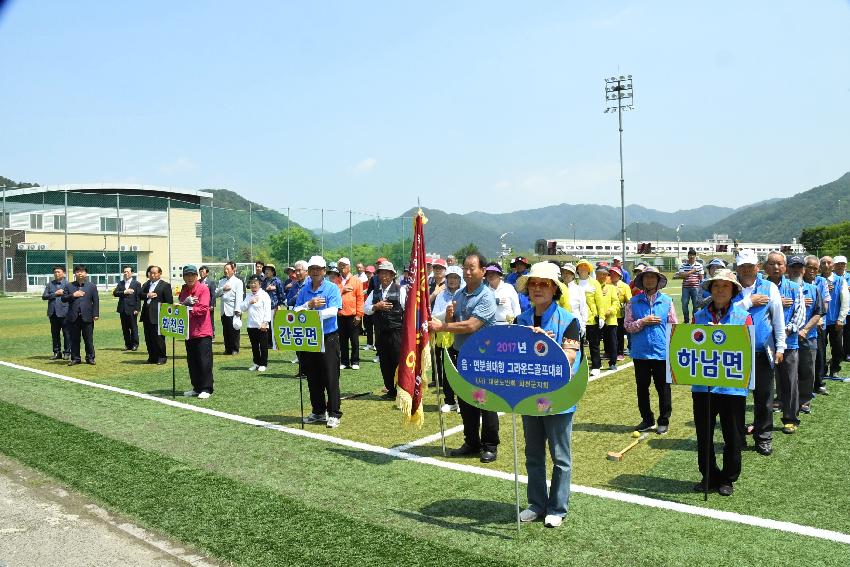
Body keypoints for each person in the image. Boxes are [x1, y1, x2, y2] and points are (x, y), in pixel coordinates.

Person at [514, 262, 582, 529]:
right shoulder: (521, 320)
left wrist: (547, 346)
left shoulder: (569, 321)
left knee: (560, 457)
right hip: (529, 397)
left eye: (544, 284)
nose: (538, 288)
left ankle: (557, 507)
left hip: (559, 398)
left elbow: (569, 360)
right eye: (533, 283)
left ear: (555, 289)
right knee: (533, 454)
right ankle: (536, 503)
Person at [429, 253, 499, 463]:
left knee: (485, 402)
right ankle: (471, 442)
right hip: (461, 354)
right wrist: (448, 315)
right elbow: (454, 321)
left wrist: (442, 325)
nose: (467, 272)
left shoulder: (486, 296)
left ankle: (490, 445)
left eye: (472, 268)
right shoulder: (459, 294)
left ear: (483, 271)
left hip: (483, 356)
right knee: (466, 401)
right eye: (465, 268)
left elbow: (471, 325)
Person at [692, 269, 753, 496]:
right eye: (716, 286)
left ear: (734, 290)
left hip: (732, 387)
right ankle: (708, 475)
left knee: (733, 435)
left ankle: (728, 478)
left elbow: (747, 348)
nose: (720, 290)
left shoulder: (742, 316)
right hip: (702, 385)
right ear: (710, 289)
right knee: (704, 435)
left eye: (725, 286)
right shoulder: (698, 317)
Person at [733, 249, 785, 457]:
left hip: (763, 351)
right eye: (742, 266)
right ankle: (737, 437)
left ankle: (763, 437)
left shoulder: (769, 287)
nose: (746, 270)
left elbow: (778, 318)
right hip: (735, 352)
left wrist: (781, 347)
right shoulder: (729, 286)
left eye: (750, 266)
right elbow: (725, 312)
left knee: (764, 398)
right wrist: (748, 302)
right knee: (735, 398)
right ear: (737, 268)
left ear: (757, 267)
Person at [624, 266, 676, 434]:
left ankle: (663, 420)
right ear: (642, 280)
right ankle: (647, 419)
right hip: (640, 353)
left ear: (658, 280)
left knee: (663, 388)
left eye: (653, 277)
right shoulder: (633, 302)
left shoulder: (667, 301)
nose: (649, 280)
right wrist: (643, 321)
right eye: (646, 277)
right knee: (642, 388)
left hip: (662, 352)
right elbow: (627, 327)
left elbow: (673, 326)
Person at [296, 256, 344, 428]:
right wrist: (309, 305)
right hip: (310, 338)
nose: (315, 271)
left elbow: (334, 310)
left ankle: (334, 413)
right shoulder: (305, 290)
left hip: (328, 337)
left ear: (324, 271)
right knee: (313, 375)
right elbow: (296, 310)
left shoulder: (332, 288)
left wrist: (314, 315)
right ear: (309, 271)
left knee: (330, 376)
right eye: (312, 268)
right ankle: (318, 410)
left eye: (318, 268)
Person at [763, 252, 805, 434]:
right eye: (771, 264)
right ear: (765, 267)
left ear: (785, 267)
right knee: (764, 384)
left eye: (779, 263)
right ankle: (763, 421)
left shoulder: (794, 288)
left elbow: (800, 312)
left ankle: (790, 418)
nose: (776, 267)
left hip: (789, 343)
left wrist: (785, 331)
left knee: (789, 382)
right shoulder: (759, 287)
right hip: (763, 344)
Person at [364, 261, 406, 399]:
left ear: (393, 275)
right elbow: (365, 309)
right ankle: (390, 390)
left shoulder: (400, 290)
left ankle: (401, 390)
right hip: (381, 332)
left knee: (397, 361)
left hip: (396, 332)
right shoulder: (374, 292)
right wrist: (376, 306)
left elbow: (407, 310)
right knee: (384, 362)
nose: (384, 276)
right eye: (381, 273)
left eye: (387, 273)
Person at [789, 255, 825, 415]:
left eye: (799, 267)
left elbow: (819, 312)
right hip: (786, 338)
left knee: (807, 370)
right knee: (785, 372)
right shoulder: (780, 289)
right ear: (787, 270)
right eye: (793, 267)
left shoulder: (813, 289)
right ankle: (784, 399)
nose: (796, 270)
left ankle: (804, 400)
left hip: (807, 337)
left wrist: (805, 330)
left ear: (804, 270)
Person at [178, 265, 214, 399]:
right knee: (192, 360)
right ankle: (196, 387)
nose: (190, 277)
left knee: (204, 361)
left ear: (196, 276)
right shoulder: (184, 289)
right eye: (187, 275)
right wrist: (184, 304)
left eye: (192, 275)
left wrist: (187, 307)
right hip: (189, 331)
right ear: (183, 277)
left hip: (202, 331)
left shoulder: (203, 289)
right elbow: (181, 305)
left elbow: (204, 309)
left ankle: (206, 388)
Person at [432, 265, 462, 412]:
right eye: (450, 277)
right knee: (448, 369)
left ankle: (463, 401)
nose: (452, 280)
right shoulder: (441, 295)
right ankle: (449, 401)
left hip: (462, 335)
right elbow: (435, 315)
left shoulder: (464, 294)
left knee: (462, 368)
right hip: (445, 336)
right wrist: (448, 311)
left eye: (455, 277)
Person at [62, 264, 100, 365]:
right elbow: (63, 299)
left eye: (82, 271)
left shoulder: (91, 286)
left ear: (86, 273)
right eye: (78, 271)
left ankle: (90, 357)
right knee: (74, 339)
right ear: (75, 273)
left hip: (87, 316)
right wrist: (73, 295)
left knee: (88, 339)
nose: (80, 273)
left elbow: (95, 301)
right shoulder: (69, 286)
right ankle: (75, 358)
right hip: (73, 317)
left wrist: (96, 314)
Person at [819, 256, 849, 379]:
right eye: (823, 263)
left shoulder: (840, 280)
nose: (826, 265)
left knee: (837, 347)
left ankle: (835, 369)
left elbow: (846, 301)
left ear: (833, 265)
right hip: (820, 321)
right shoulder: (816, 280)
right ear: (820, 265)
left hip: (836, 321)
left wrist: (841, 319)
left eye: (829, 263)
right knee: (821, 347)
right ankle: (822, 370)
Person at [139, 265, 173, 365]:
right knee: (148, 338)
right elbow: (139, 294)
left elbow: (169, 302)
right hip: (146, 315)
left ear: (160, 274)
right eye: (151, 273)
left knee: (158, 338)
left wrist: (166, 315)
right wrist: (147, 295)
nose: (152, 275)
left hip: (158, 315)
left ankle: (162, 357)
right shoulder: (146, 284)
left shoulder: (165, 285)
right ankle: (152, 356)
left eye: (155, 273)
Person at [575, 259, 604, 376]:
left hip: (591, 318)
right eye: (580, 268)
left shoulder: (594, 283)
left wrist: (601, 316)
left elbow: (600, 301)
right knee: (578, 343)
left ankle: (596, 365)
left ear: (589, 270)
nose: (583, 270)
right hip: (578, 318)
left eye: (585, 268)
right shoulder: (575, 283)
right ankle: (580, 366)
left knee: (594, 343)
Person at [336, 257, 364, 370]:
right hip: (340, 314)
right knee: (342, 340)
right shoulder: (336, 281)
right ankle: (344, 361)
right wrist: (342, 290)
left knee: (354, 340)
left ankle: (355, 361)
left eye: (344, 265)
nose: (342, 267)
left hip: (353, 315)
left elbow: (360, 298)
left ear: (349, 267)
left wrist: (359, 314)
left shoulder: (356, 281)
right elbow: (333, 296)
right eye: (340, 265)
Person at [241, 274, 272, 372]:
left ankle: (263, 363)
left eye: (255, 283)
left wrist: (265, 322)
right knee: (254, 346)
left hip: (262, 325)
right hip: (251, 325)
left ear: (260, 284)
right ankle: (256, 363)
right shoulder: (249, 295)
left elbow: (267, 310)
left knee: (263, 346)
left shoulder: (264, 295)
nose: (253, 285)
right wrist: (250, 302)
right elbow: (242, 307)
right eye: (251, 283)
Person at [594, 263, 619, 371]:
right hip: (596, 319)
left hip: (610, 319)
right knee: (595, 342)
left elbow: (616, 302)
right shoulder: (593, 287)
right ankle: (597, 363)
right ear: (596, 275)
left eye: (604, 274)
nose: (602, 276)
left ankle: (612, 362)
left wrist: (610, 311)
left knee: (612, 342)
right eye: (599, 274)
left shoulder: (612, 288)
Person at [42, 265, 70, 360]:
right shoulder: (50, 284)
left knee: (67, 333)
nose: (56, 274)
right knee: (55, 334)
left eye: (59, 272)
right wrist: (55, 294)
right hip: (53, 313)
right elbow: (44, 296)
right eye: (55, 272)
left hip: (65, 312)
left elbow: (71, 297)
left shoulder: (68, 284)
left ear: (64, 273)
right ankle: (57, 352)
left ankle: (67, 352)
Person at [216, 261, 244, 356]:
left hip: (233, 310)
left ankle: (234, 348)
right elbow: (216, 294)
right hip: (224, 310)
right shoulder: (221, 281)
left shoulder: (238, 282)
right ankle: (227, 348)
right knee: (226, 330)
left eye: (228, 269)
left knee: (234, 330)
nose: (225, 271)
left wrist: (238, 310)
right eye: (225, 269)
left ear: (233, 270)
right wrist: (223, 289)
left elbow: (239, 297)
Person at [113, 265, 141, 351]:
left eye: (127, 272)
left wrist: (137, 309)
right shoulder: (121, 283)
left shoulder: (136, 284)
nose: (125, 273)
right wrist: (124, 292)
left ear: (132, 273)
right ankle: (127, 345)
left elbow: (138, 297)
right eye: (124, 272)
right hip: (122, 309)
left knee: (133, 327)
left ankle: (135, 344)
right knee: (125, 328)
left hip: (132, 309)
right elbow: (115, 293)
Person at [609, 266, 632, 360]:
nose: (613, 276)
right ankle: (610, 351)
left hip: (620, 314)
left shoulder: (625, 286)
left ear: (619, 276)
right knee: (609, 334)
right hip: (609, 314)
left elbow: (629, 300)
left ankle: (620, 352)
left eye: (615, 274)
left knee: (619, 334)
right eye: (611, 274)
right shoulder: (607, 285)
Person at [675, 248, 704, 323]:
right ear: (688, 256)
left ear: (695, 256)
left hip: (696, 288)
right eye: (690, 255)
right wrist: (692, 271)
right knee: (684, 304)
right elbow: (681, 275)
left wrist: (702, 288)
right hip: (686, 288)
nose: (691, 257)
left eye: (693, 255)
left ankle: (694, 321)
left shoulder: (699, 265)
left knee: (696, 305)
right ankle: (686, 320)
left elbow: (701, 277)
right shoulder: (683, 265)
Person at [559, 263, 588, 336]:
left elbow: (583, 309)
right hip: (559, 322)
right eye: (563, 272)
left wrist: (583, 325)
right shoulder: (558, 288)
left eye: (568, 273)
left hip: (574, 321)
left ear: (573, 275)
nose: (565, 275)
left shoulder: (579, 289)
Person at [198, 266, 217, 338]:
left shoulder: (211, 282)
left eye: (203, 271)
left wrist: (212, 305)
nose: (201, 273)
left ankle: (212, 334)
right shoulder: (198, 282)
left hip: (208, 305)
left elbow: (213, 294)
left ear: (207, 273)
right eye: (200, 272)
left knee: (210, 319)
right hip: (200, 305)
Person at [362, 264, 377, 352]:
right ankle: (369, 343)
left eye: (370, 272)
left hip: (374, 306)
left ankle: (376, 344)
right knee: (368, 327)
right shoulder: (363, 283)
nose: (369, 274)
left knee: (376, 327)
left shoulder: (376, 280)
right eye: (367, 272)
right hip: (366, 306)